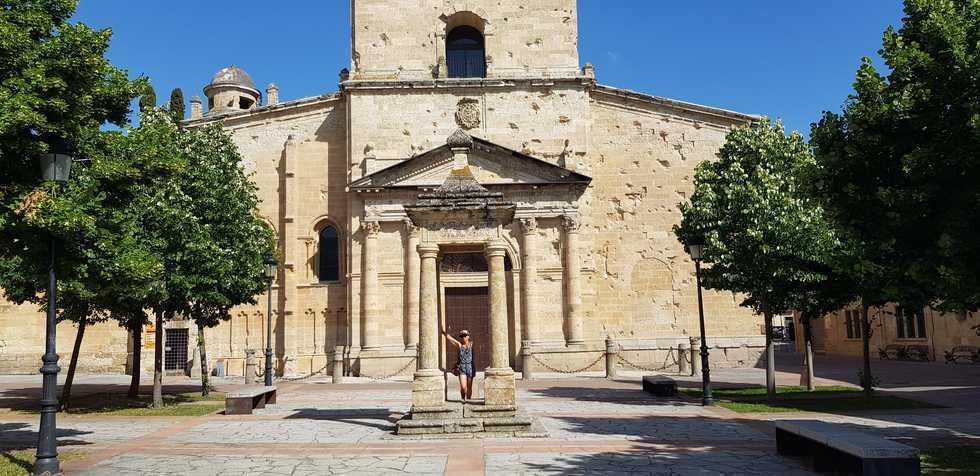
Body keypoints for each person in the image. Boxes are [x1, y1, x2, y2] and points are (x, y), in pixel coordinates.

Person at [443, 328, 475, 401]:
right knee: (463, 387)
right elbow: (450, 338)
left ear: (468, 336)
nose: (463, 337)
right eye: (461, 336)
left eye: (465, 335)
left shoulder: (472, 344)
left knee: (469, 387)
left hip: (470, 367)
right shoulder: (459, 345)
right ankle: (463, 398)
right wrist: (443, 332)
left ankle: (468, 400)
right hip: (462, 367)